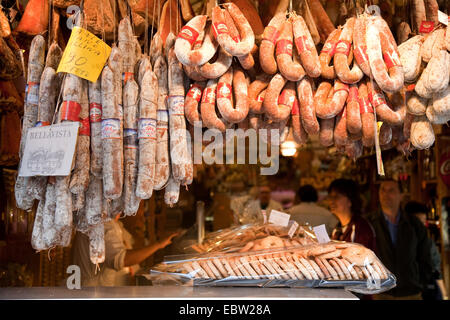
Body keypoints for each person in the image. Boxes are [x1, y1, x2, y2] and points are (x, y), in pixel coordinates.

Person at [367, 179, 433, 300]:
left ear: (401, 195)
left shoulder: (414, 224)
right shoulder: (369, 222)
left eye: (391, 190)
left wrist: (419, 282)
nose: (386, 194)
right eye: (383, 190)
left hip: (410, 292)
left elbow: (425, 257)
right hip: (380, 292)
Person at [72, 213, 179, 287]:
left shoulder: (111, 223)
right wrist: (158, 245)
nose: (140, 215)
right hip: (93, 291)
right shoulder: (104, 224)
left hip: (95, 288)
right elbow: (122, 259)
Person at [405, 201, 448, 300]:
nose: (422, 228)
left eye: (423, 223)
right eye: (419, 223)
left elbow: (436, 271)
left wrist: (445, 295)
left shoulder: (427, 242)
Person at [327, 179, 377, 252]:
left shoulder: (361, 228)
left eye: (336, 197)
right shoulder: (337, 229)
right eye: (330, 197)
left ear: (350, 201)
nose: (331, 201)